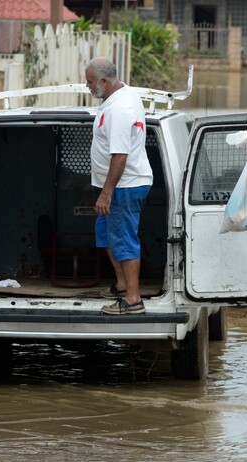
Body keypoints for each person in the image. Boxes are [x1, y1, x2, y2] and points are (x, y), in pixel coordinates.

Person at [84, 57, 152, 315]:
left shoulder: (118, 109)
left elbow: (120, 155)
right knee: (106, 233)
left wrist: (106, 193)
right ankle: (123, 285)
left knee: (123, 240)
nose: (87, 85)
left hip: (124, 186)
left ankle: (133, 301)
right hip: (119, 186)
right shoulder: (120, 97)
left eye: (90, 81)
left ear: (103, 81)